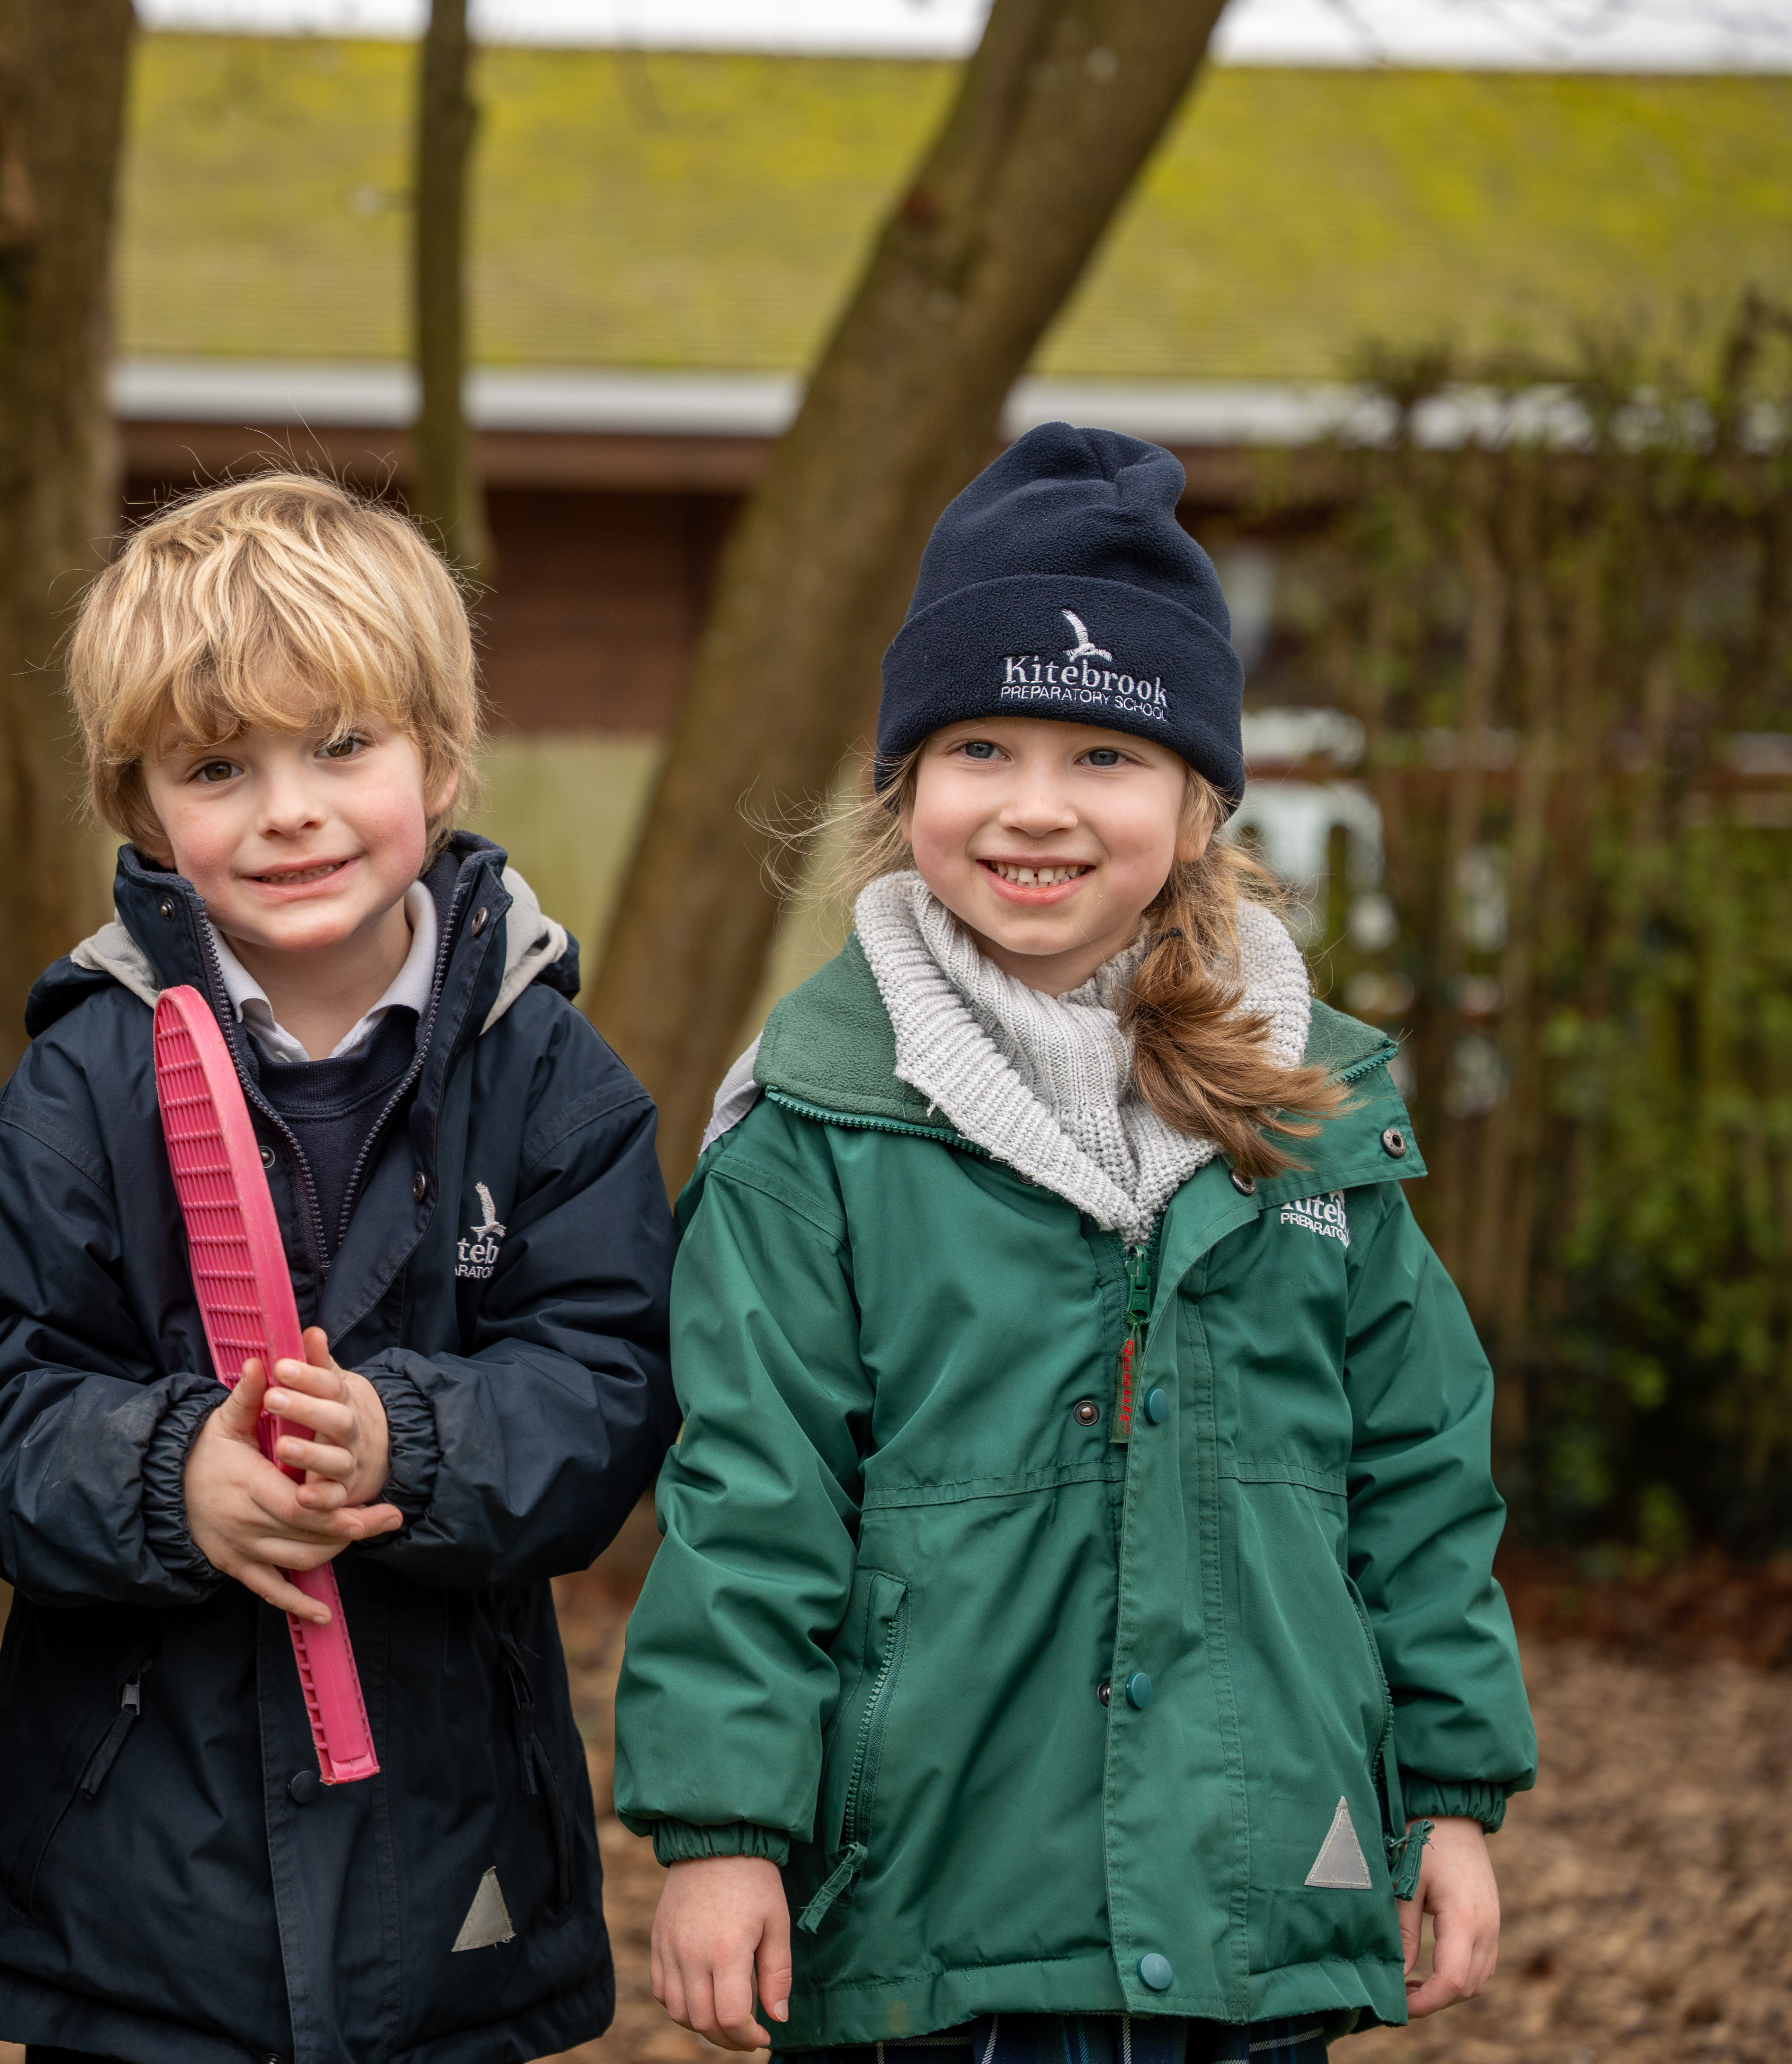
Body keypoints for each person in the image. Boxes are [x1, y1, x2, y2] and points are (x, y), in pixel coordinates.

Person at [614, 423, 1539, 2064]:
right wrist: (722, 1828)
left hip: (1255, 1893)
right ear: (904, 787)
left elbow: (1415, 1472)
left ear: (1195, 804)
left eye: (1103, 755)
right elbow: (749, 1496)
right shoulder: (816, 1124)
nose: (1033, 807)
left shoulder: (1316, 1118)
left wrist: (1448, 1793)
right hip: (932, 1917)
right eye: (978, 746)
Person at [0, 472, 681, 2064]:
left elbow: (610, 1385)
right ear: (141, 805)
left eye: (342, 746)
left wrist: (414, 1439)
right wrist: (169, 1478)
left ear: (440, 757)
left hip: (455, 1882)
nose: (289, 809)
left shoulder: (550, 1077)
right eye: (219, 766)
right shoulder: (80, 1086)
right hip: (139, 1904)